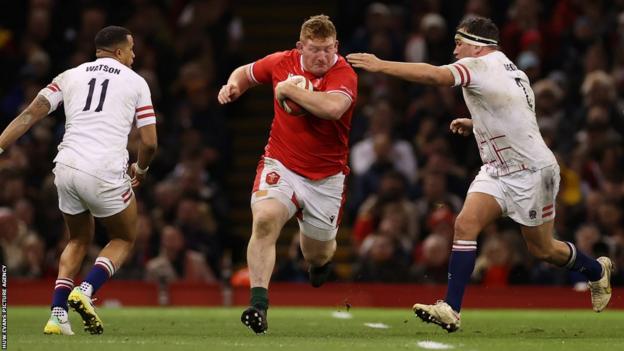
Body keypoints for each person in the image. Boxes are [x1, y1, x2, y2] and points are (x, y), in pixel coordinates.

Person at [347, 16, 613, 332]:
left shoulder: (480, 67)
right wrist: (477, 125)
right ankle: (451, 309)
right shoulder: (513, 70)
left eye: (459, 43)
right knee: (465, 223)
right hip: (498, 169)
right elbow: (517, 116)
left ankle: (596, 271)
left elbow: (434, 76)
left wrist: (381, 65)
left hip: (531, 173)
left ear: (477, 45)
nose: (455, 50)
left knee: (543, 249)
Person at [0, 25, 157, 335]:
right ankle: (86, 290)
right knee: (124, 237)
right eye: (132, 49)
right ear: (119, 52)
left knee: (77, 239)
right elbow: (150, 142)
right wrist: (140, 170)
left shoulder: (70, 75)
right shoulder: (136, 82)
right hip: (105, 169)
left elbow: (29, 115)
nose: (135, 55)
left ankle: (57, 314)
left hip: (66, 168)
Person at [218, 14, 357, 334]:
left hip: (326, 177)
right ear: (300, 47)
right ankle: (258, 305)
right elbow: (246, 72)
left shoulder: (344, 73)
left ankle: (320, 264)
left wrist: (286, 91)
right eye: (314, 50)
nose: (321, 57)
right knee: (265, 219)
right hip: (281, 164)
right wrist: (234, 85)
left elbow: (332, 109)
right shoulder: (282, 62)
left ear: (336, 46)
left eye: (327, 49)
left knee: (317, 252)